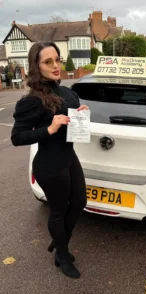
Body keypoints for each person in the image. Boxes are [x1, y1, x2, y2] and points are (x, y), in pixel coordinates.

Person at [11, 41, 88, 279]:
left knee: (79, 202)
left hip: (69, 157)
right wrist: (50, 129)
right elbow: (17, 137)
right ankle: (62, 255)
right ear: (36, 66)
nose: (56, 66)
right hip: (49, 164)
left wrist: (80, 113)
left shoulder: (67, 92)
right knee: (58, 211)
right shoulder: (32, 100)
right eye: (48, 62)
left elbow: (70, 115)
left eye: (57, 60)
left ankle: (59, 241)